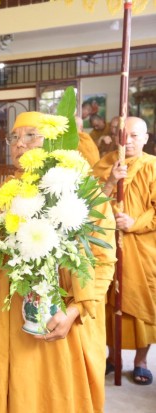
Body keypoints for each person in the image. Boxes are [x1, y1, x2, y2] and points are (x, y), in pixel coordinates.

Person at [0, 112, 117, 412]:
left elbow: (103, 261)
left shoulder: (81, 190)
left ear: (54, 141)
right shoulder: (3, 194)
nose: (20, 144)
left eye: (31, 136)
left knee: (46, 397)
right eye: (14, 137)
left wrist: (75, 310)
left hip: (55, 321)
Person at [92, 116, 156, 386]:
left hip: (143, 247)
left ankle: (141, 361)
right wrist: (110, 181)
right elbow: (89, 205)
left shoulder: (152, 166)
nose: (127, 141)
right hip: (107, 244)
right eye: (123, 135)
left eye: (134, 136)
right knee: (108, 301)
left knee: (143, 303)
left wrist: (134, 223)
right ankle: (112, 357)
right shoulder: (105, 164)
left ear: (145, 139)